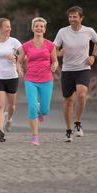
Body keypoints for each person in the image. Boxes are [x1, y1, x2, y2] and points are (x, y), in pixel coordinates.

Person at [53, 6, 97, 142]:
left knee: (81, 94)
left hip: (83, 68)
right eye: (70, 17)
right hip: (67, 70)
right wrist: (58, 54)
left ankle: (78, 122)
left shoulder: (89, 31)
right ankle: (69, 130)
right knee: (68, 101)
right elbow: (53, 49)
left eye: (75, 17)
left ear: (81, 18)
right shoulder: (63, 32)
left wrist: (93, 56)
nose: (72, 19)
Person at [17, 17, 58, 145]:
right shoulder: (26, 46)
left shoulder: (50, 45)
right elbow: (19, 61)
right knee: (32, 107)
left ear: (44, 29)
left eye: (41, 26)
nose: (39, 28)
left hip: (46, 79)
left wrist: (54, 65)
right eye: (36, 26)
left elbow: (55, 60)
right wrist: (19, 69)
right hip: (31, 79)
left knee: (45, 110)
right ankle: (35, 136)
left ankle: (42, 110)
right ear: (33, 28)